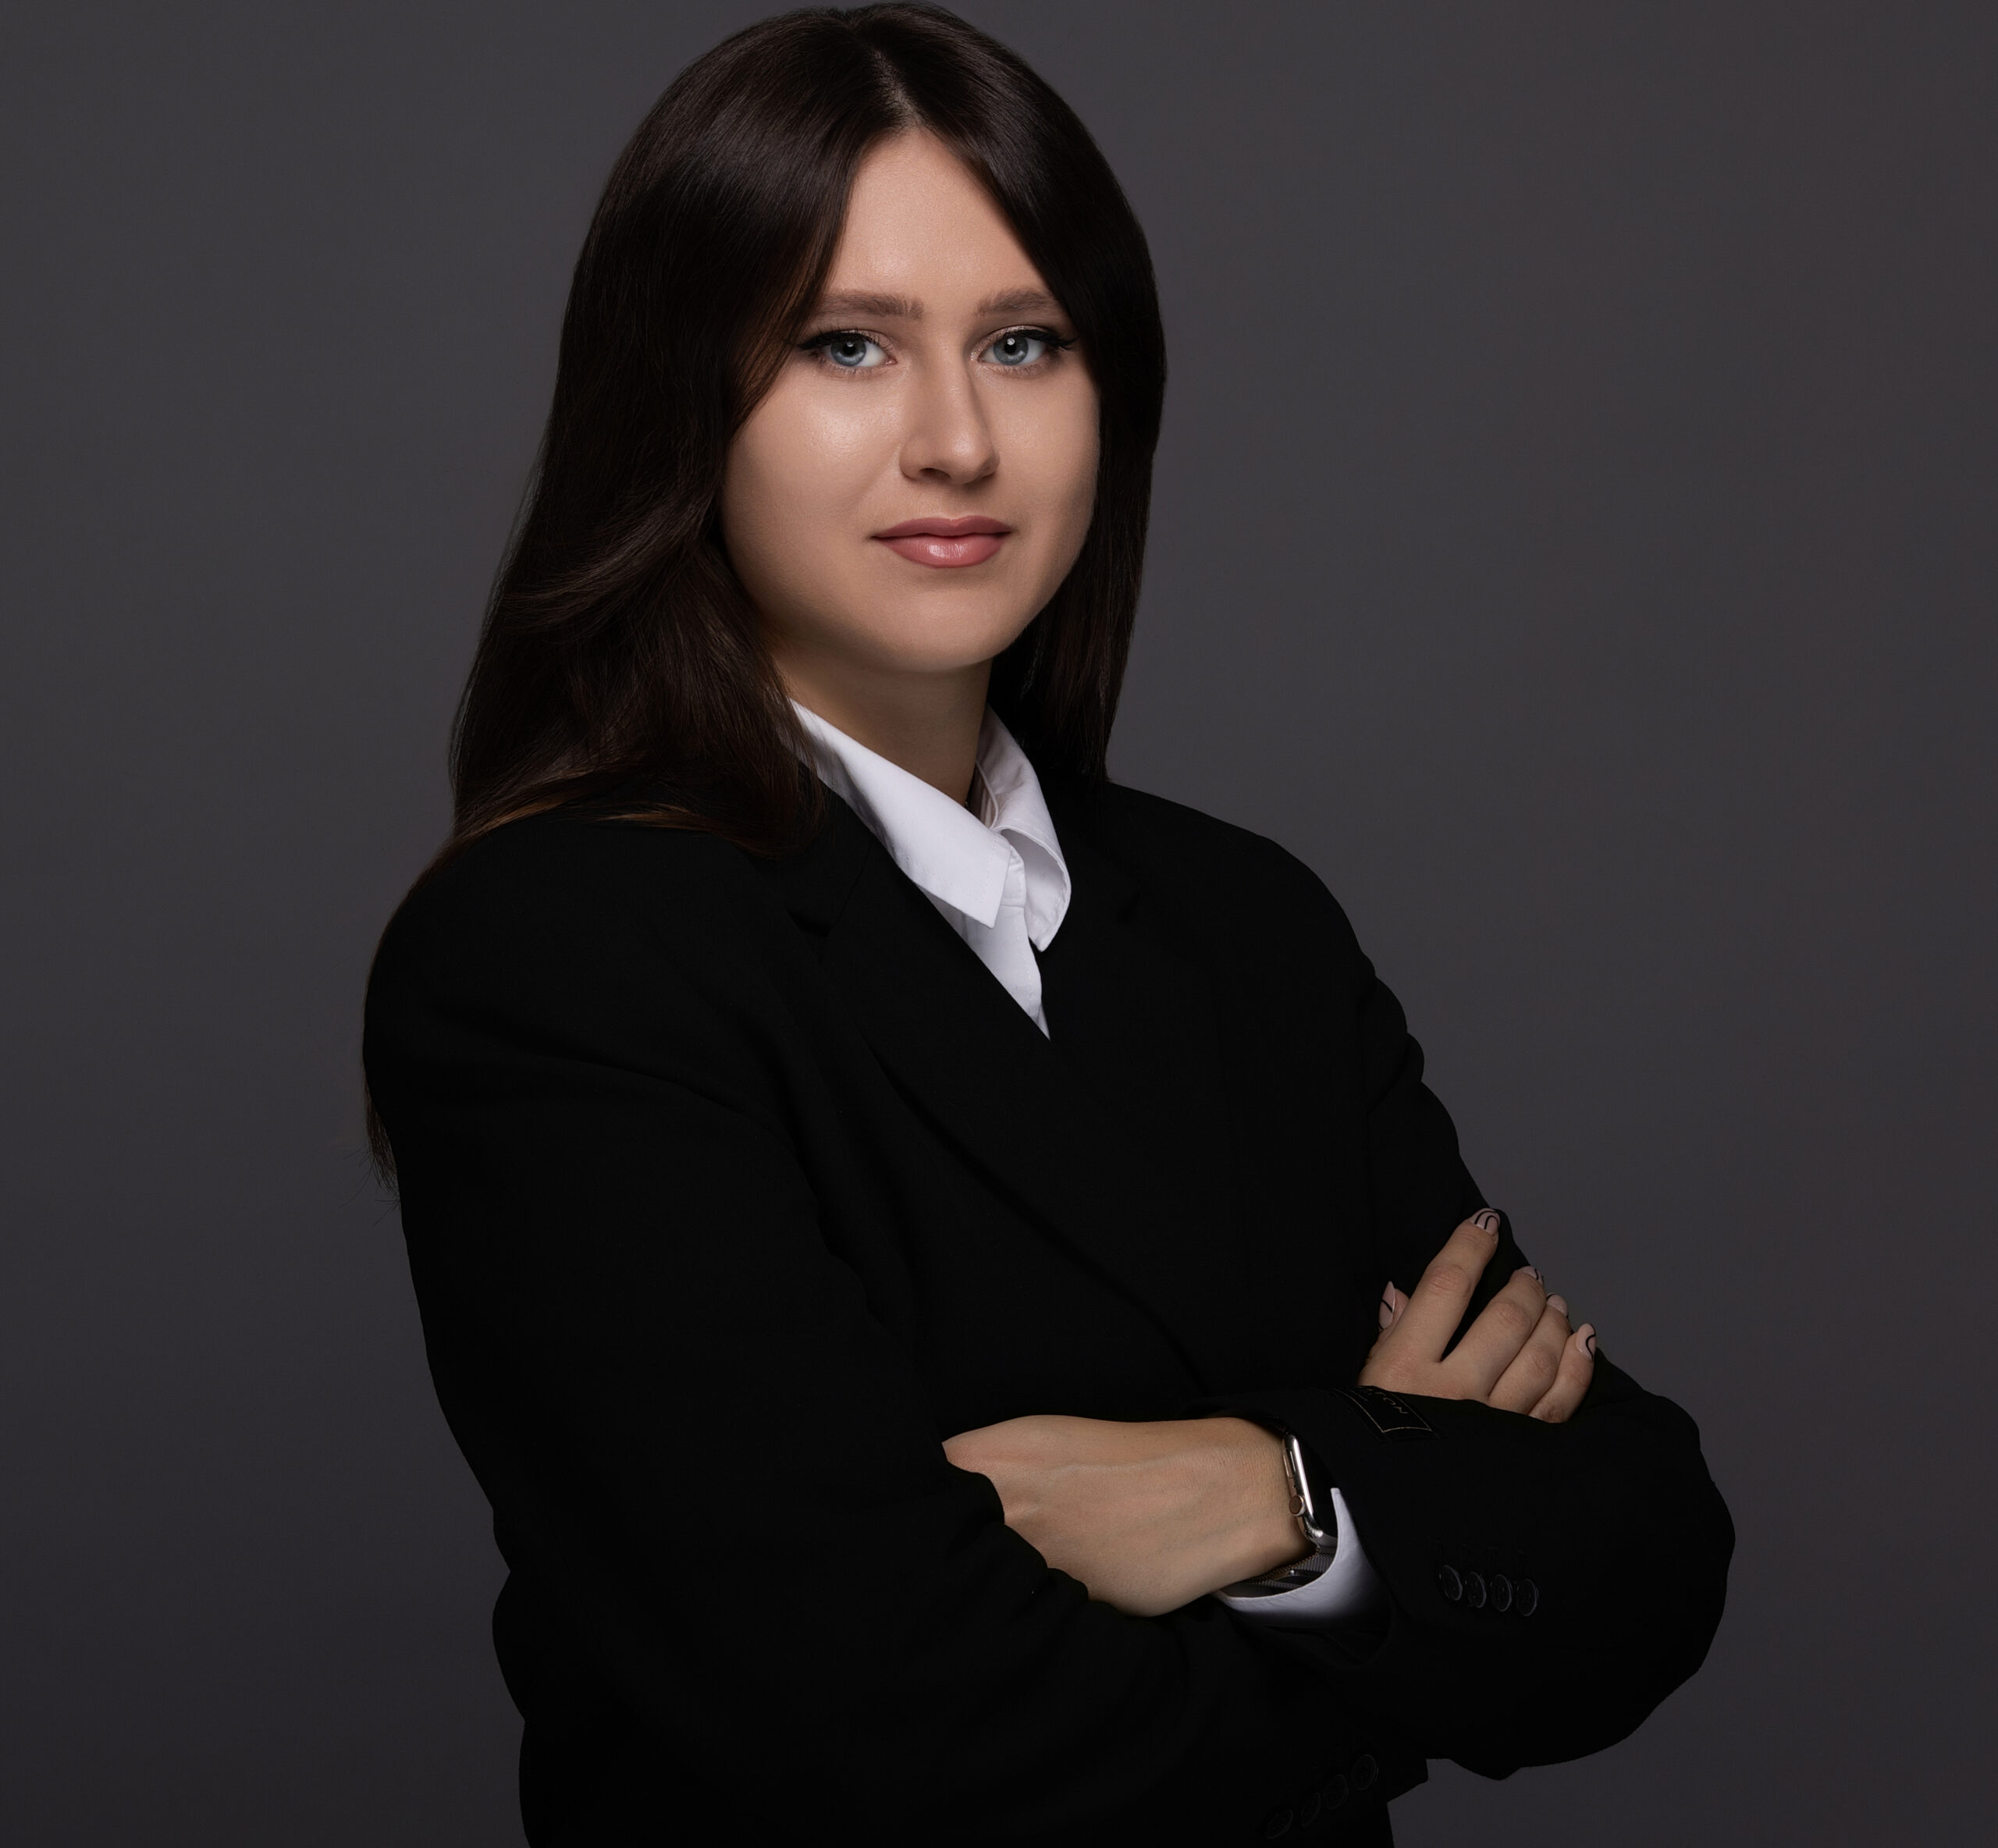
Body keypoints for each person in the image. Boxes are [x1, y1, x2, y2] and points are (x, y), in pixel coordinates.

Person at [362, 6, 1733, 1843]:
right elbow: (884, 1717)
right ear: (682, 400)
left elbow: (1643, 1544)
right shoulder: (558, 954)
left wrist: (1276, 1491)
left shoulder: (1246, 920)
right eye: (841, 345)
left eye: (1023, 343)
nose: (954, 438)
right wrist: (1388, 1505)